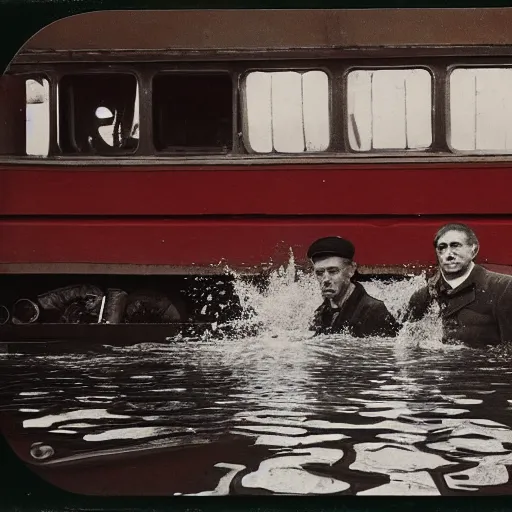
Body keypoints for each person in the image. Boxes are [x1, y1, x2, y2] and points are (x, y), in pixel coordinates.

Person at [404, 223, 512, 347]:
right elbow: (409, 347)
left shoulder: (503, 288)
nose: (449, 254)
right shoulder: (423, 296)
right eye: (442, 248)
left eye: (455, 246)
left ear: (474, 250)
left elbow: (508, 352)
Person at [308, 236, 400, 337]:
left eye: (333, 271)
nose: (325, 279)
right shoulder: (321, 312)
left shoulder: (372, 311)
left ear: (351, 270)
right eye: (319, 273)